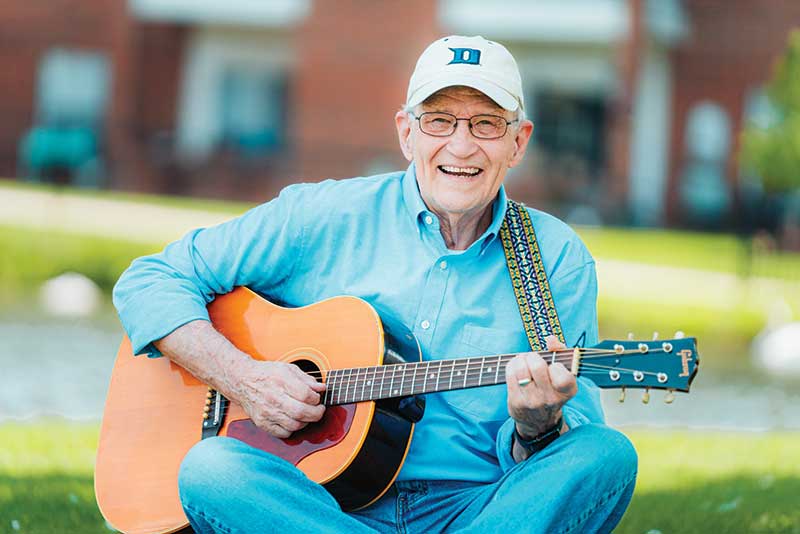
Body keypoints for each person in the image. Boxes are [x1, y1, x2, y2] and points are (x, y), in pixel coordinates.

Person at [113, 35, 637, 533]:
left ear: (517, 142)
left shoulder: (554, 258)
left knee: (605, 456)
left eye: (486, 125)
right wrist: (243, 378)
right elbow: (150, 279)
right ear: (407, 133)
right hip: (317, 504)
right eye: (439, 121)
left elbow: (570, 440)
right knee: (212, 469)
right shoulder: (322, 216)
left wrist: (536, 425)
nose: (461, 146)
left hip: (478, 512)